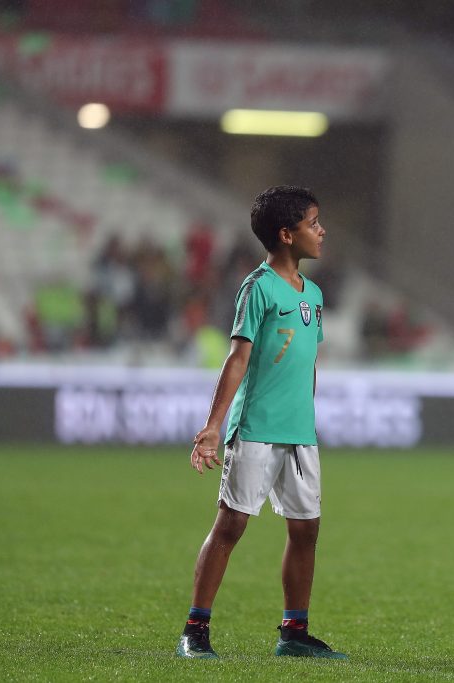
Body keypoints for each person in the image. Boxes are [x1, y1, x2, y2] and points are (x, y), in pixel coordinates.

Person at [175, 185, 346, 661]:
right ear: (286, 234)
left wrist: (308, 415)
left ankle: (294, 632)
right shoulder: (258, 286)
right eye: (313, 223)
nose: (322, 231)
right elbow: (238, 359)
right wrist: (214, 426)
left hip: (300, 433)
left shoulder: (313, 293)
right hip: (256, 428)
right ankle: (195, 630)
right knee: (231, 524)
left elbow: (308, 364)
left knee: (306, 530)